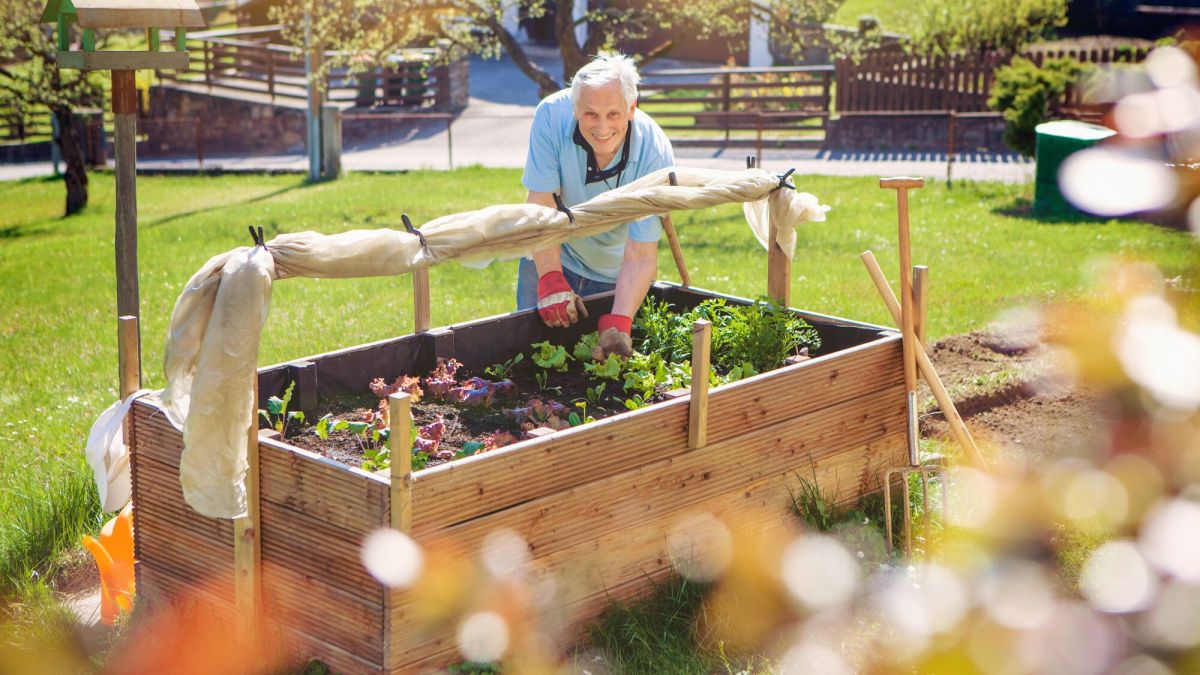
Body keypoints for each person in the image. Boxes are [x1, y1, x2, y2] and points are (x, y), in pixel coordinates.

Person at [517, 52, 675, 360]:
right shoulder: (550, 116)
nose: (602, 128)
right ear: (575, 109)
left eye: (613, 114)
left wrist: (620, 319)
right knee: (528, 361)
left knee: (596, 370)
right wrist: (550, 275)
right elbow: (541, 206)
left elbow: (642, 253)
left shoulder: (655, 152)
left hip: (614, 273)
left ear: (632, 108)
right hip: (551, 253)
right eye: (591, 114)